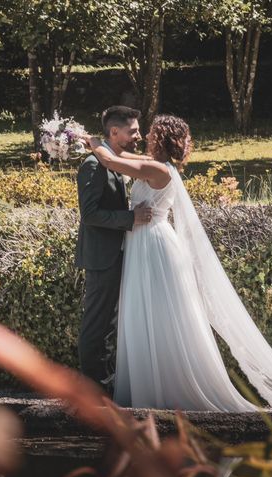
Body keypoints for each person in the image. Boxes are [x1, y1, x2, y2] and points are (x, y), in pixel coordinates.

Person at [86, 114, 272, 412]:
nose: (145, 135)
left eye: (151, 133)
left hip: (153, 246)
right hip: (144, 241)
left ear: (159, 139)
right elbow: (121, 154)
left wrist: (94, 143)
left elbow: (111, 161)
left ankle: (166, 388)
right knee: (145, 312)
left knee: (157, 313)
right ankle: (150, 385)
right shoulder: (158, 165)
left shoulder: (156, 168)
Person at [75, 106, 153, 389]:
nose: (138, 136)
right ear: (114, 132)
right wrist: (131, 218)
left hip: (117, 253)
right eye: (133, 131)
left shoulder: (113, 160)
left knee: (110, 323)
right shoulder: (93, 165)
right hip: (101, 257)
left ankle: (107, 383)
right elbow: (90, 213)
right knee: (97, 324)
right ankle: (92, 389)